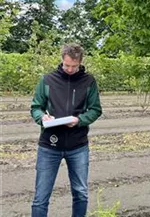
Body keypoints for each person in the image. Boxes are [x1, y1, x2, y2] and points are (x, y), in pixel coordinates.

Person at [31, 44, 102, 217]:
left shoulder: (89, 82)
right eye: (67, 65)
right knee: (41, 197)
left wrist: (80, 120)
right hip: (49, 144)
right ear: (62, 59)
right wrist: (42, 117)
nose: (70, 69)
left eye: (74, 66)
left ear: (80, 62)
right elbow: (35, 107)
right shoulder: (47, 80)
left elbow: (95, 109)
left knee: (81, 193)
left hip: (78, 145)